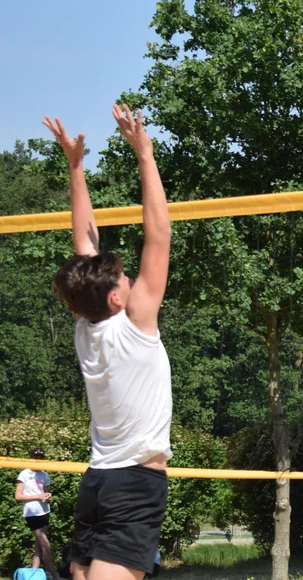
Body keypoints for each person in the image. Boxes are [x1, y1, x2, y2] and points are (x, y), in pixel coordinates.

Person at [44, 105, 173, 580]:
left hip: (97, 481)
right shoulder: (136, 321)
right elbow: (158, 236)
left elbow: (84, 242)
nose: (129, 276)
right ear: (118, 296)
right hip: (136, 482)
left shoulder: (86, 322)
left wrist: (75, 167)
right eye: (124, 276)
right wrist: (145, 154)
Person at [15, 447, 58, 579]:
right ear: (31, 459)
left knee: (39, 545)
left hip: (44, 511)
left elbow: (45, 493)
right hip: (31, 512)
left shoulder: (44, 474)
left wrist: (47, 497)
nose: (38, 460)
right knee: (45, 544)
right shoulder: (24, 474)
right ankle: (56, 576)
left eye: (40, 458)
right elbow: (18, 496)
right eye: (36, 458)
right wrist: (38, 496)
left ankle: (33, 575)